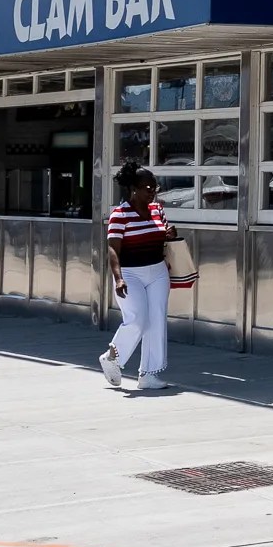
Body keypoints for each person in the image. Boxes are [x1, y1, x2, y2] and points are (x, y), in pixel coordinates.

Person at [100, 165, 176, 395]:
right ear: (133, 189)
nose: (152, 191)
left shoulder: (157, 209)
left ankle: (149, 375)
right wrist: (119, 278)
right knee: (137, 320)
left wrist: (168, 233)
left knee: (156, 321)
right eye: (147, 187)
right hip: (130, 273)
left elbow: (160, 235)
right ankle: (112, 356)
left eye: (155, 187)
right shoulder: (120, 214)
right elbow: (113, 249)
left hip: (158, 271)